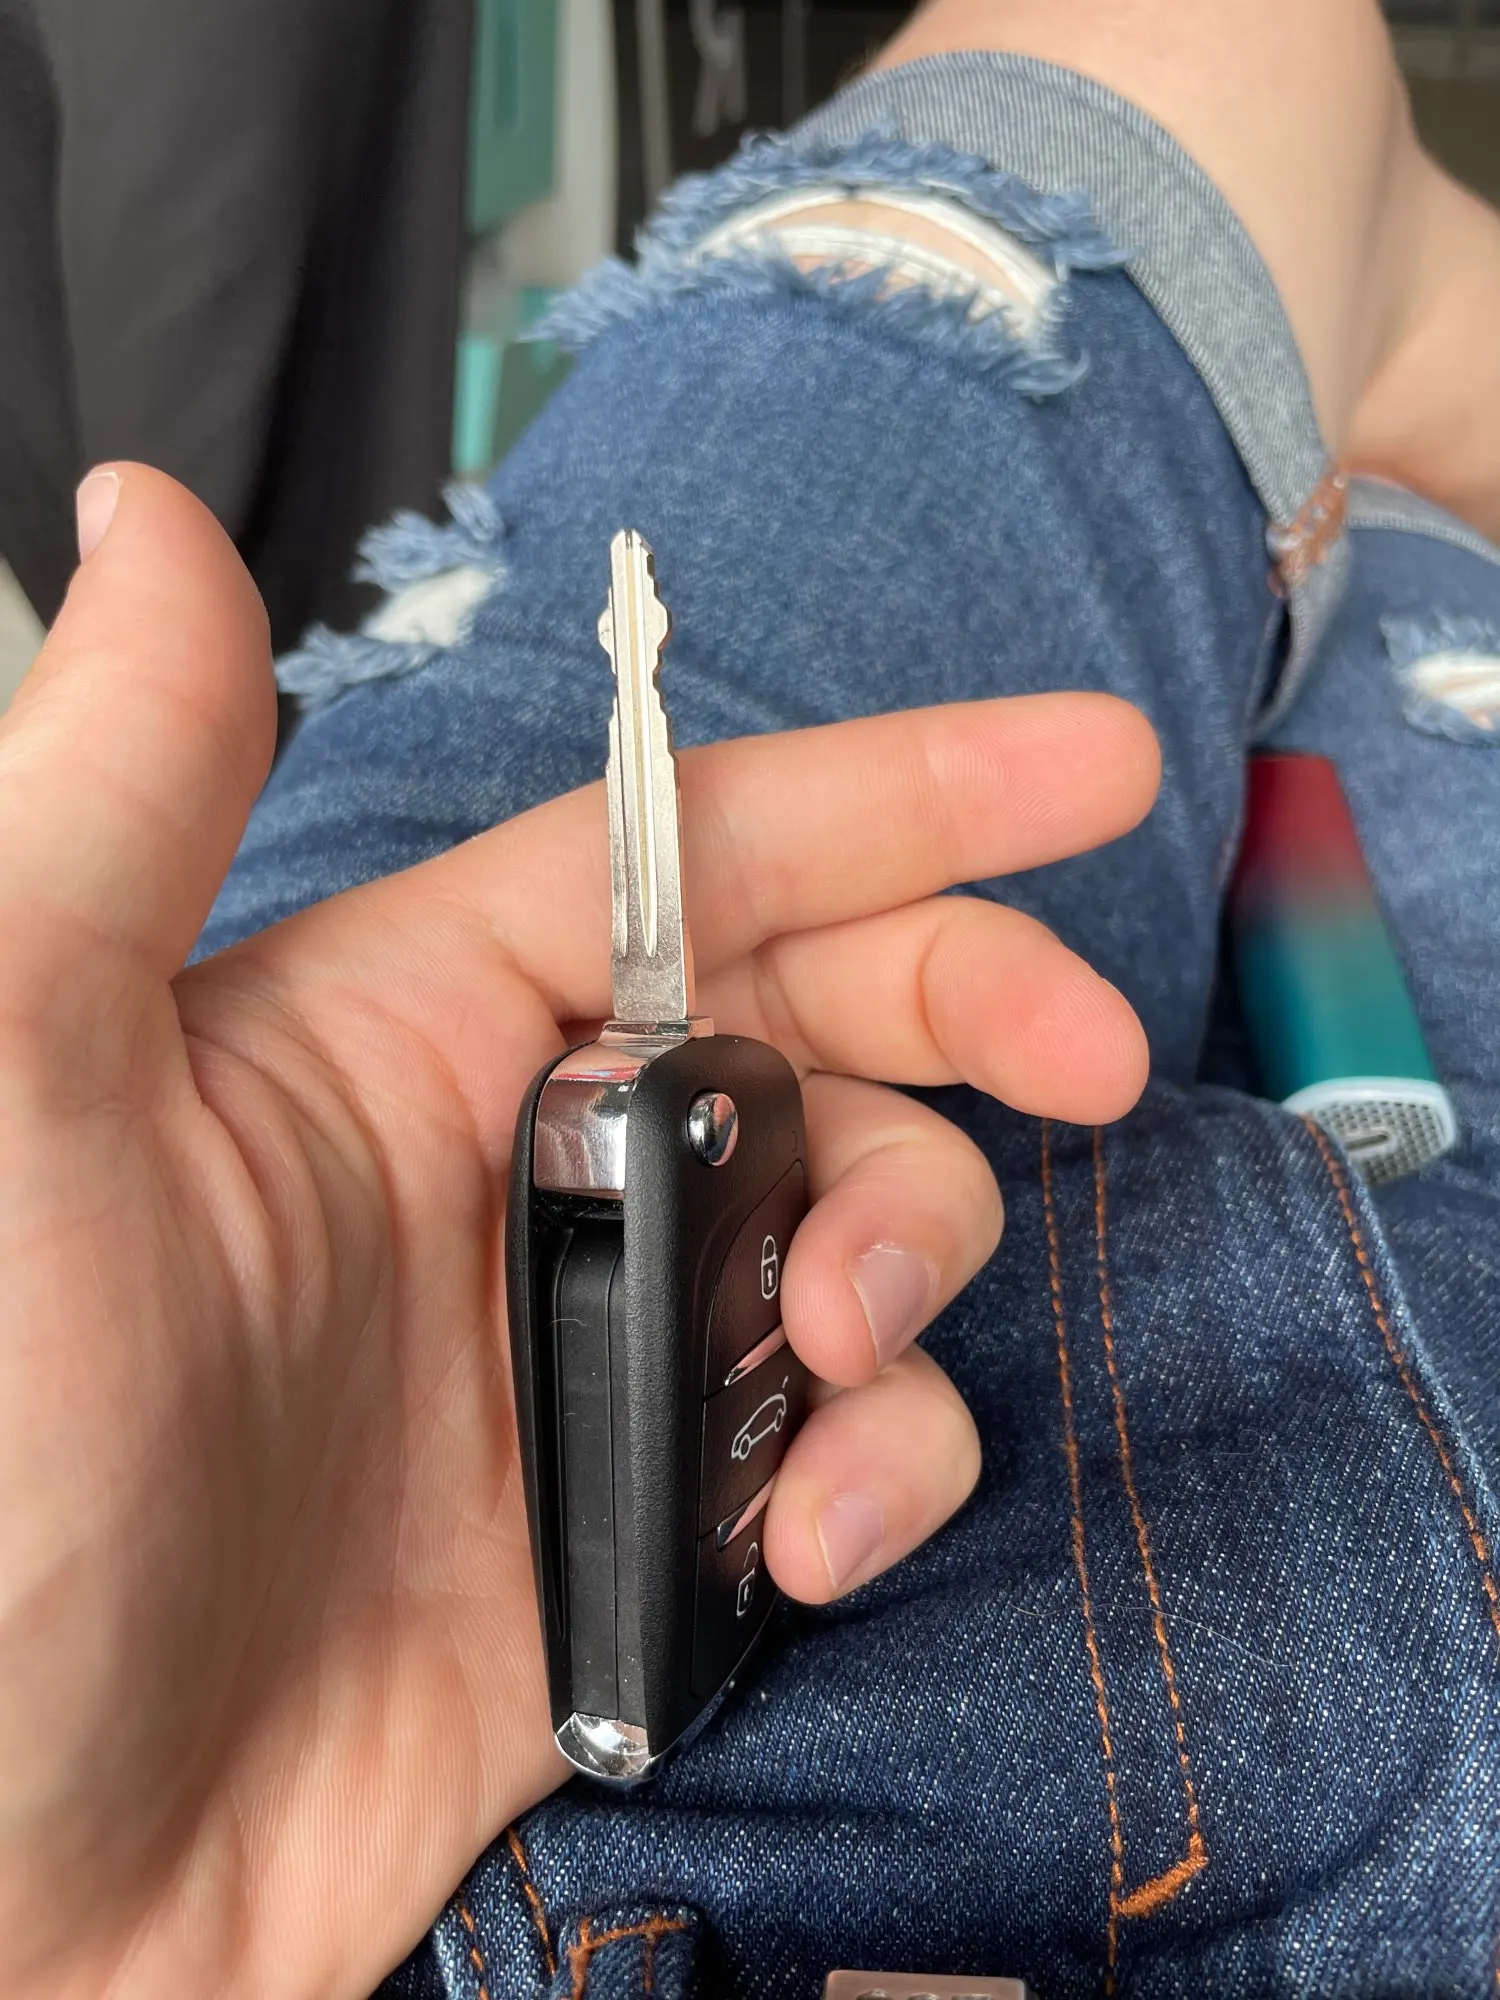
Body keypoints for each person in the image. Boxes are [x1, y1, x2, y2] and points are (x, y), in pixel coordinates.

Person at [2, 4, 1499, 1998]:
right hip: (738, 1741)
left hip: (532, 1738)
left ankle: (1372, 529)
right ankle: (1381, 534)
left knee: (1232, 114)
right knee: (1249, 147)